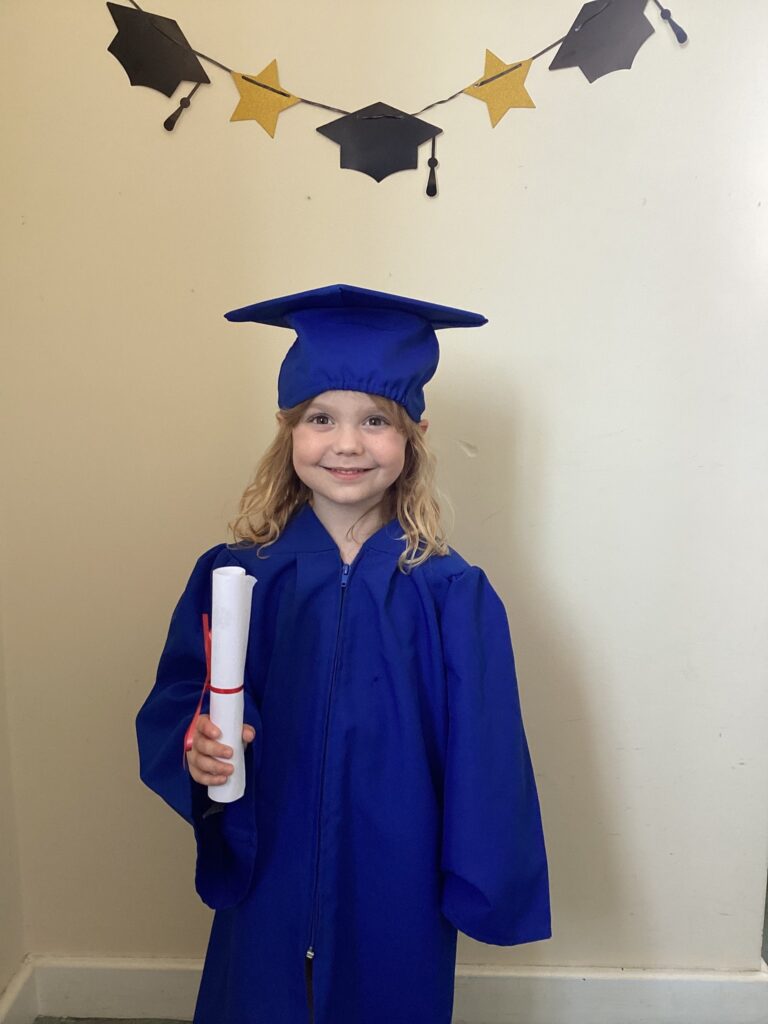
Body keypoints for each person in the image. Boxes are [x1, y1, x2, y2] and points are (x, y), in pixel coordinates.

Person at [136, 283, 552, 1024]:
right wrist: (198, 748)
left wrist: (478, 876)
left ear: (414, 435)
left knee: (388, 991)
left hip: (398, 858)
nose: (348, 443)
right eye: (321, 418)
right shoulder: (242, 573)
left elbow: (486, 752)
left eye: (376, 421)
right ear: (287, 432)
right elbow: (183, 696)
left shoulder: (451, 592)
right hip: (272, 846)